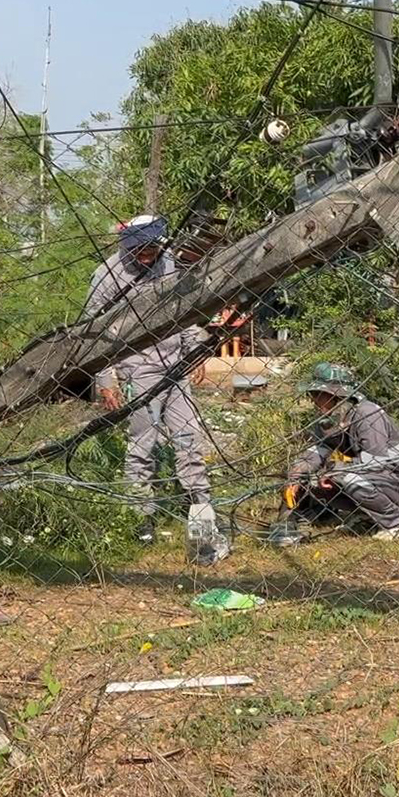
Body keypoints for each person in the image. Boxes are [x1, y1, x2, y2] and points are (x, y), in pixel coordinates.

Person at [85, 214, 228, 564]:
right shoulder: (107, 276)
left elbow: (185, 311)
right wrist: (105, 379)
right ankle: (141, 518)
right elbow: (94, 332)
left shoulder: (169, 264)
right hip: (137, 369)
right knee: (142, 447)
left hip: (175, 365)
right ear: (127, 246)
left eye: (152, 248)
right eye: (140, 250)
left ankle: (203, 522)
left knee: (189, 442)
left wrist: (195, 350)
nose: (147, 255)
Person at [270, 362, 399, 545]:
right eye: (313, 394)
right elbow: (318, 451)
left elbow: (376, 461)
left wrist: (336, 470)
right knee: (309, 480)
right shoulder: (329, 419)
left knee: (346, 477)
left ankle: (395, 523)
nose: (313, 399)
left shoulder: (367, 414)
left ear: (335, 395)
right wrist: (297, 472)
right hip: (372, 479)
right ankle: (363, 515)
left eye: (318, 394)